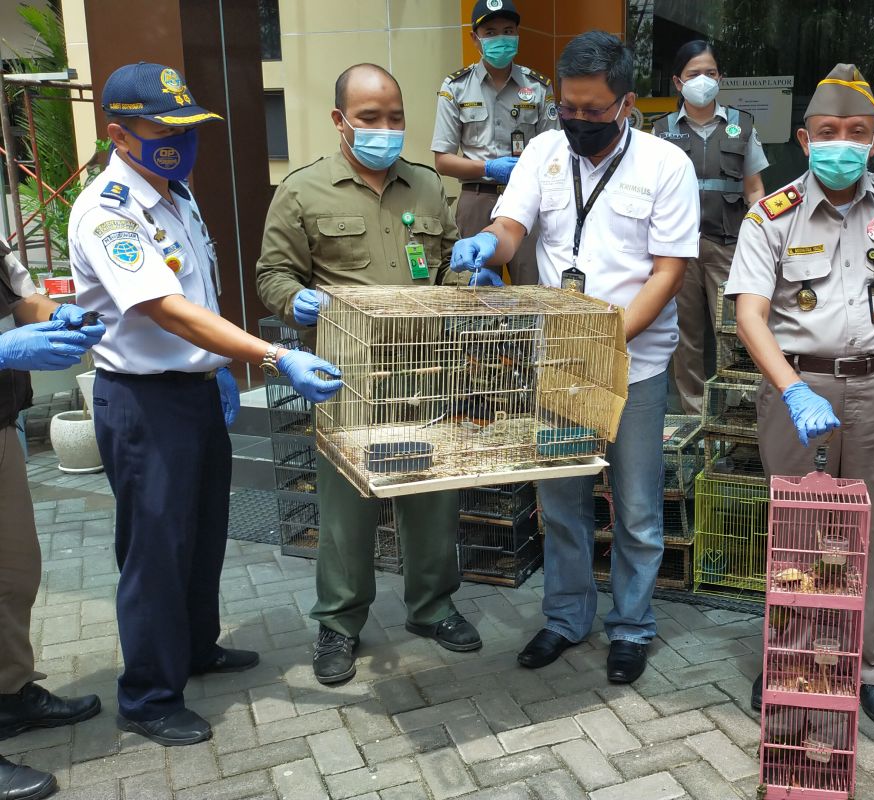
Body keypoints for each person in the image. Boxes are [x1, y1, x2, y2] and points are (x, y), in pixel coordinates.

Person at [68, 62, 343, 747]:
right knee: (155, 549)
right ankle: (149, 695)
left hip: (194, 391)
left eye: (189, 128)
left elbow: (202, 297)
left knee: (202, 534)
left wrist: (220, 366)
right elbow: (164, 308)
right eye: (165, 130)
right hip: (142, 401)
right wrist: (272, 356)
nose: (181, 141)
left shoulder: (177, 195)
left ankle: (196, 648)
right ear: (118, 134)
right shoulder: (109, 211)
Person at [451, 31, 700, 684]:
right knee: (561, 503)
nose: (579, 122)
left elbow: (668, 272)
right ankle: (564, 619)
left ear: (624, 105)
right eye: (569, 108)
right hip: (556, 363)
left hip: (634, 366)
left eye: (594, 111)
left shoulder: (665, 166)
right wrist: (486, 244)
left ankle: (632, 626)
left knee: (638, 508)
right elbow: (512, 228)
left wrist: (608, 338)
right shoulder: (542, 151)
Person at [726, 64, 874, 727]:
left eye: (855, 132)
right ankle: (787, 656)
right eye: (827, 132)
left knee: (869, 536)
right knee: (798, 533)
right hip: (803, 386)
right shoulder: (772, 216)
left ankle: (868, 667)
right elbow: (749, 316)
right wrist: (791, 390)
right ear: (805, 137)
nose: (840, 143)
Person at [257, 63, 478, 686]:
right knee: (347, 507)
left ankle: (432, 607)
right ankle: (339, 623)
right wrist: (291, 301)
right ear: (340, 121)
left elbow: (442, 272)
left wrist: (467, 278)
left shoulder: (430, 189)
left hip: (426, 369)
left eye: (395, 118)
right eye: (370, 119)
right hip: (345, 374)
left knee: (432, 492)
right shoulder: (302, 192)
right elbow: (273, 274)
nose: (386, 130)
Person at [0, 246, 105, 799]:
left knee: (15, 576)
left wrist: (52, 315)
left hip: (0, 425)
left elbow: (23, 298)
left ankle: (10, 695)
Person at [652, 40, 768, 414]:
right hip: (678, 251)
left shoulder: (742, 126)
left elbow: (754, 189)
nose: (703, 80)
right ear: (677, 81)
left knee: (733, 331)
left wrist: (758, 242)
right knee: (685, 335)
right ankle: (694, 416)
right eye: (693, 74)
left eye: (711, 73)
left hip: (729, 245)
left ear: (721, 77)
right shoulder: (660, 131)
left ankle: (737, 413)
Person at [431, 0, 555, 286]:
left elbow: (554, 153)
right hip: (477, 196)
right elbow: (442, 161)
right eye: (490, 32)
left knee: (533, 286)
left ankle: (534, 334)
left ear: (517, 35)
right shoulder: (456, 87)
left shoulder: (538, 87)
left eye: (508, 30)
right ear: (475, 39)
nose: (501, 38)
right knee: (476, 287)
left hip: (528, 201)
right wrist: (488, 166)